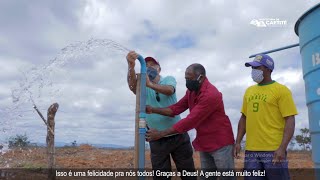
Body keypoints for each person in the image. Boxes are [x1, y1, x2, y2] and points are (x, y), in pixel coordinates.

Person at [146, 63, 235, 180]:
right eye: (185, 78)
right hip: (205, 142)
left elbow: (190, 121)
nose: (187, 82)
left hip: (220, 143)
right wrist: (153, 109)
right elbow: (176, 108)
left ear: (201, 77)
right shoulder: (192, 91)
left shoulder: (210, 95)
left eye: (190, 78)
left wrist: (160, 134)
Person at [126, 51, 196, 179]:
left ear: (159, 68)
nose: (149, 67)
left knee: (188, 174)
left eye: (153, 65)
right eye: (146, 65)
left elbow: (170, 90)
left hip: (178, 136)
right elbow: (132, 86)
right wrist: (131, 66)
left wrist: (150, 84)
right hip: (156, 138)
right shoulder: (143, 86)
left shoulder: (168, 79)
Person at [233, 54, 298, 180]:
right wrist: (238, 142)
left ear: (268, 69)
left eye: (257, 68)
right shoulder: (249, 91)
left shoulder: (281, 90)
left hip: (273, 150)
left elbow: (290, 119)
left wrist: (282, 148)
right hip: (251, 151)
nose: (253, 71)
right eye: (252, 68)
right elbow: (244, 118)